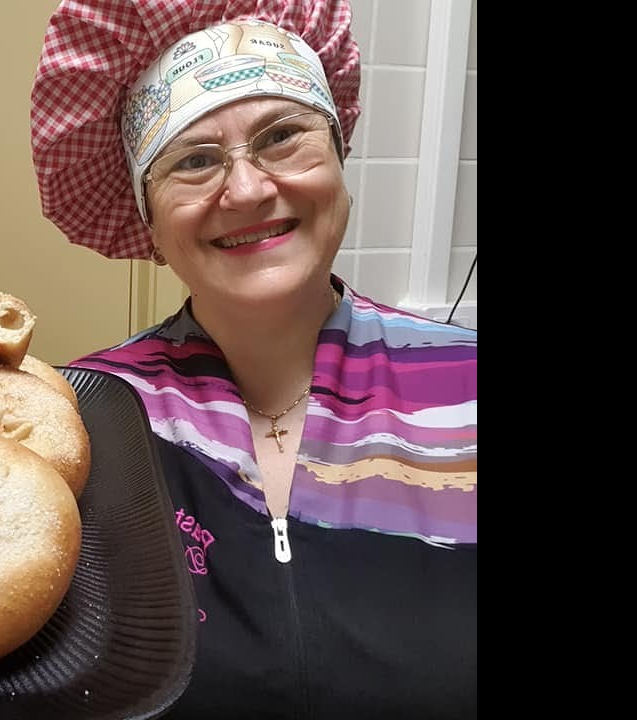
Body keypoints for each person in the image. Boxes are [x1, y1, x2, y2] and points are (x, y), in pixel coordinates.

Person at [30, 1, 476, 718]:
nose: (246, 190)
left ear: (338, 154)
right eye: (195, 160)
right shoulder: (85, 417)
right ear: (146, 216)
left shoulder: (467, 386)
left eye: (282, 137)